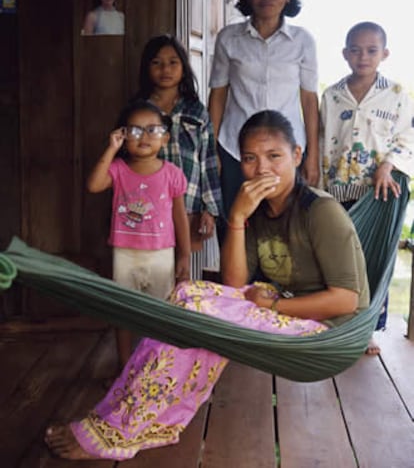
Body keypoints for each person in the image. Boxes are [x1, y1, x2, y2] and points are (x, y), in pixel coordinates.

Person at [45, 110, 369, 461]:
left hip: (329, 330)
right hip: (284, 306)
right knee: (185, 294)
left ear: (297, 155)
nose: (261, 169)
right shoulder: (258, 208)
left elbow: (346, 301)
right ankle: (142, 419)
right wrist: (239, 218)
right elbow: (235, 283)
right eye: (250, 158)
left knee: (199, 316)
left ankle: (121, 430)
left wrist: (274, 307)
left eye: (274, 156)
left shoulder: (321, 212)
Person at [320, 21, 414, 354]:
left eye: (371, 50)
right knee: (341, 261)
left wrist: (388, 165)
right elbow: (322, 141)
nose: (363, 56)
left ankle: (367, 330)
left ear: (384, 53)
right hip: (338, 193)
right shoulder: (331, 95)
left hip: (378, 193)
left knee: (373, 257)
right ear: (345, 53)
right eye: (356, 50)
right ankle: (337, 323)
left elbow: (407, 137)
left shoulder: (397, 94)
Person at [208, 0, 320, 222]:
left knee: (285, 231)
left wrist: (313, 155)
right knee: (235, 225)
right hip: (235, 149)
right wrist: (212, 151)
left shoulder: (303, 41)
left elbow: (309, 101)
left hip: (286, 152)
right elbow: (218, 96)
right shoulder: (229, 38)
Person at [87, 98, 191, 367]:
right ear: (122, 136)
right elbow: (94, 184)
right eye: (134, 130)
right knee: (124, 313)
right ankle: (124, 368)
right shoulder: (118, 170)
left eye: (152, 130)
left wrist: (185, 256)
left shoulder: (173, 174)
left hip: (161, 255)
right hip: (126, 254)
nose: (143, 136)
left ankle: (157, 369)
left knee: (161, 314)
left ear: (165, 139)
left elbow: (180, 217)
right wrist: (111, 150)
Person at [135, 34, 222, 271]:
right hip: (146, 204)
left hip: (189, 206)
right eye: (157, 63)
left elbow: (209, 161)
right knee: (149, 268)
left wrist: (210, 209)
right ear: (146, 68)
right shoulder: (138, 110)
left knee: (183, 270)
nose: (166, 69)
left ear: (184, 68)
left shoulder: (196, 110)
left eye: (173, 62)